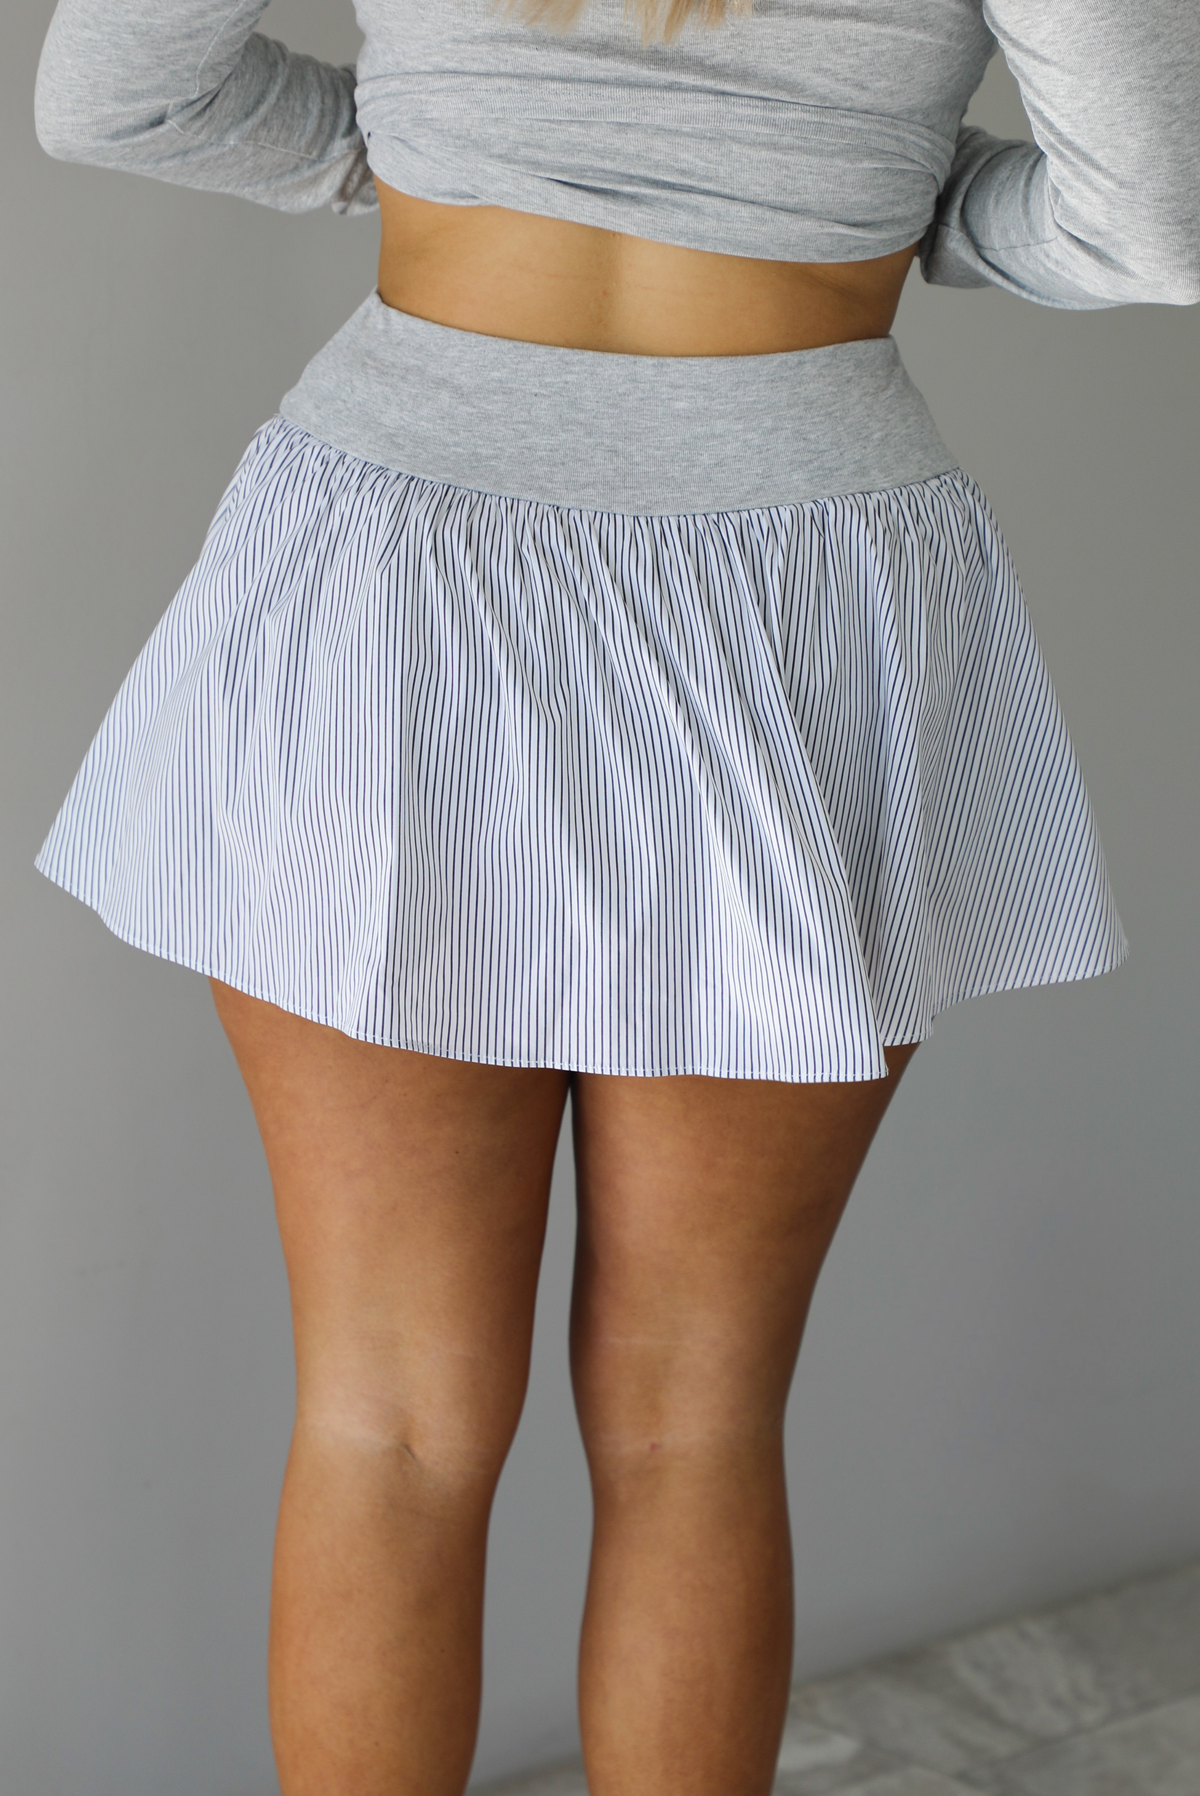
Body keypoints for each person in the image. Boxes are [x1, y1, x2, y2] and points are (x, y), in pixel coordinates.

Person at [30, 0, 1198, 1790]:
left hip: (393, 562)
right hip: (800, 590)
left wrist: (422, 151)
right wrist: (879, 201)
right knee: (695, 1425)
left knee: (385, 1423)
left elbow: (120, 97)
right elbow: (1155, 222)